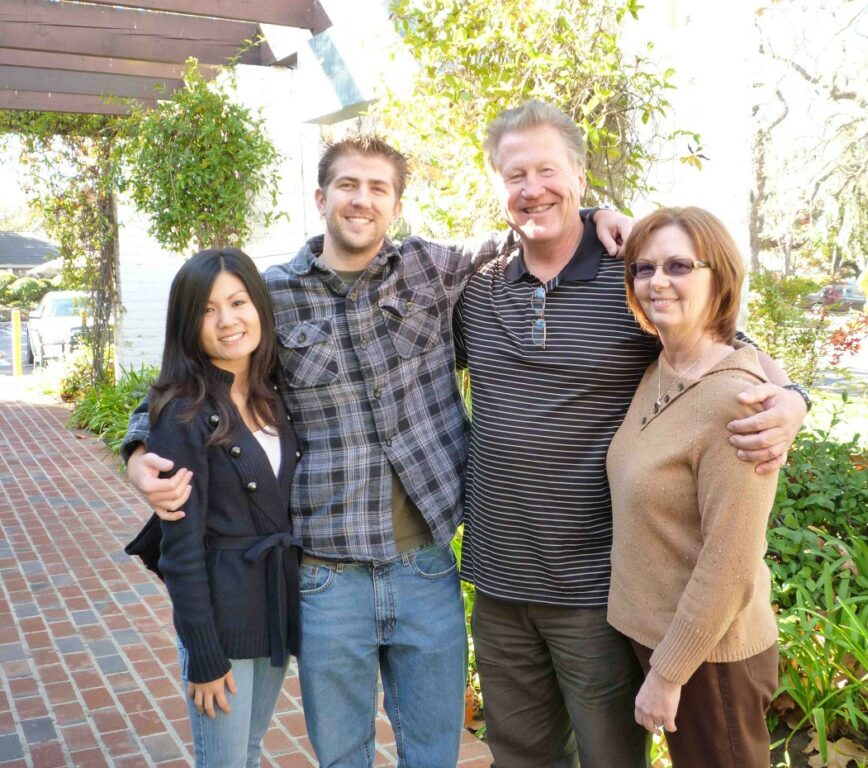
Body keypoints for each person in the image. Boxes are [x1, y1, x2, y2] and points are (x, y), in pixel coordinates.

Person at [122, 136, 632, 768]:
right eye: (347, 185)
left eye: (377, 188)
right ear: (321, 198)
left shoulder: (434, 269)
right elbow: (192, 375)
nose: (361, 200)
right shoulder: (271, 296)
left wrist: (595, 214)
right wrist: (139, 449)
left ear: (397, 205)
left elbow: (531, 225)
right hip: (326, 577)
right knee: (343, 758)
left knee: (433, 754)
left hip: (427, 571)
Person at [455, 100, 808, 767]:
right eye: (515, 174)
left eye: (547, 170)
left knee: (611, 757)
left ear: (580, 176)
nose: (532, 188)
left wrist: (794, 398)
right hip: (499, 582)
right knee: (520, 755)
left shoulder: (631, 281)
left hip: (595, 590)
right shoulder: (478, 288)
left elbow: (719, 345)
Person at [606, 207, 780, 766]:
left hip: (710, 658)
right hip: (660, 639)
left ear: (719, 277)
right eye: (644, 268)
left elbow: (731, 559)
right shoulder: (661, 369)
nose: (658, 281)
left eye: (679, 266)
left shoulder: (739, 401)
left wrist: (668, 672)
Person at [124, 248, 302, 768]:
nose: (227, 320)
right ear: (188, 323)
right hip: (222, 621)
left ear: (259, 306)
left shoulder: (276, 390)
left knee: (249, 750)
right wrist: (203, 653)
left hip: (274, 606)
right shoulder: (183, 411)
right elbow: (180, 551)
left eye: (238, 302)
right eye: (207, 310)